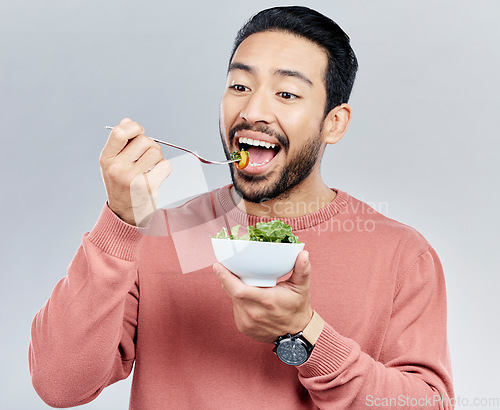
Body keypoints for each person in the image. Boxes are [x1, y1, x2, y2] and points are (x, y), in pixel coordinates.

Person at [29, 6, 454, 409]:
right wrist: (121, 221)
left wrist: (305, 335)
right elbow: (58, 383)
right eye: (239, 86)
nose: (252, 111)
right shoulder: (168, 232)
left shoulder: (401, 254)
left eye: (286, 93)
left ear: (334, 123)